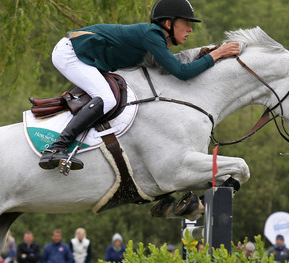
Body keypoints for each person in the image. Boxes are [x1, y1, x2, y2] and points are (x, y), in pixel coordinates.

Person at [38, 0, 241, 171]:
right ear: (169, 23)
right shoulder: (152, 35)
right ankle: (56, 148)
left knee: (108, 97)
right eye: (186, 23)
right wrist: (217, 55)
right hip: (71, 53)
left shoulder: (155, 39)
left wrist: (203, 56)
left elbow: (170, 68)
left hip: (84, 56)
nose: (190, 29)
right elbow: (181, 73)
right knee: (107, 98)